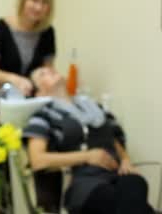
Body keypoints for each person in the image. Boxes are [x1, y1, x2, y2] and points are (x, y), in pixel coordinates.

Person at [23, 66, 154, 214]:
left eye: (51, 69)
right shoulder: (43, 116)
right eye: (43, 74)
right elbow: (37, 160)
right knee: (120, 200)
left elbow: (112, 136)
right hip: (83, 182)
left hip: (115, 174)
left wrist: (125, 159)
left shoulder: (94, 107)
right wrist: (88, 156)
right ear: (39, 91)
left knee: (136, 182)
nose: (50, 70)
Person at [0, 0, 55, 96]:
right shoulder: (1, 27)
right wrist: (14, 79)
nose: (39, 7)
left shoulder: (48, 32)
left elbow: (47, 72)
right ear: (23, 0)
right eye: (34, 0)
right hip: (2, 98)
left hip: (32, 100)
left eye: (45, 2)